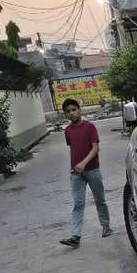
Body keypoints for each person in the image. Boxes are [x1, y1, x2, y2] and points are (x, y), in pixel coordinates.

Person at [59, 98, 112, 248]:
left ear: (79, 110)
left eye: (74, 109)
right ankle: (76, 236)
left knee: (99, 199)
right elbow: (73, 148)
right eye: (68, 111)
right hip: (76, 173)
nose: (71, 113)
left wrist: (83, 163)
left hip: (93, 170)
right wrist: (75, 166)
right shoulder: (68, 131)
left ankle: (106, 226)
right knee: (78, 203)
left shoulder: (90, 127)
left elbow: (95, 148)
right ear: (65, 114)